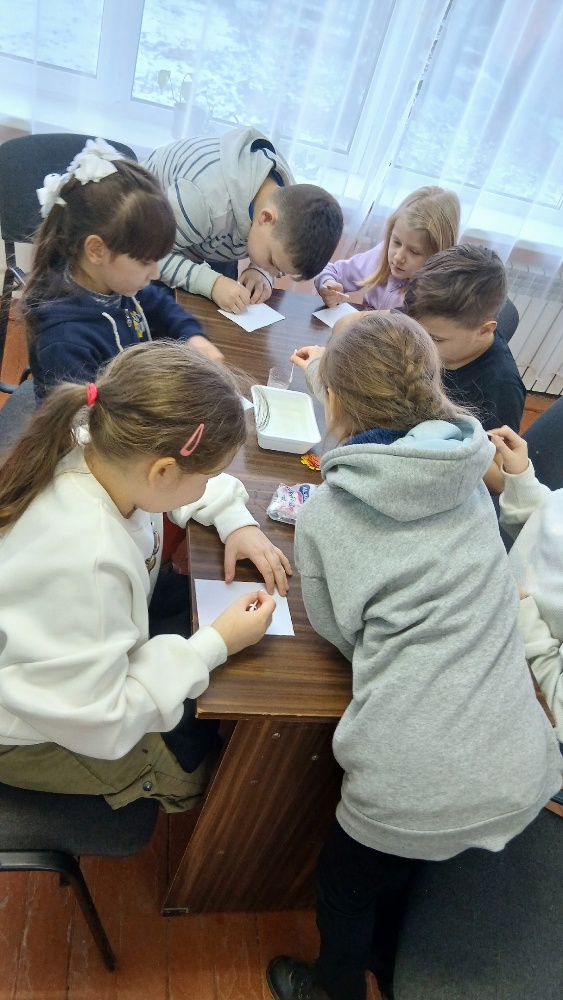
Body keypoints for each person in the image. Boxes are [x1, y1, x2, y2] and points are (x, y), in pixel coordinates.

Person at [265, 313, 561, 1000]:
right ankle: (393, 954)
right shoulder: (470, 476)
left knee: (344, 887)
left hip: (412, 785)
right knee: (404, 867)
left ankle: (335, 989)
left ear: (332, 403)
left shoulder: (328, 511)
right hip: (523, 770)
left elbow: (339, 632)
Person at [0, 339, 293, 812]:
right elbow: (104, 721)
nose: (207, 484)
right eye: (205, 476)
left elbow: (187, 483)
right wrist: (215, 644)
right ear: (162, 471)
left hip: (73, 663)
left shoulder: (102, 440)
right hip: (36, 731)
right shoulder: (86, 560)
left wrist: (236, 520)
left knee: (187, 621)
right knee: (192, 771)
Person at [24, 137, 224, 403]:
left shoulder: (117, 283)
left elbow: (160, 304)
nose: (155, 274)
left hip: (132, 396)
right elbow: (86, 420)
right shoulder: (65, 341)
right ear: (97, 250)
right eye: (145, 261)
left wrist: (193, 337)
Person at [144, 127, 343, 313]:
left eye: (279, 270)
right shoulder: (204, 199)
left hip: (212, 234)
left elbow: (279, 255)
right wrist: (210, 283)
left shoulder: (288, 205)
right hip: (151, 232)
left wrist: (261, 271)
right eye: (272, 262)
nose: (273, 271)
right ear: (265, 218)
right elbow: (147, 255)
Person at [490, 423, 563, 744]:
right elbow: (546, 531)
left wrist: (521, 609)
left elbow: (557, 706)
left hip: (514, 663)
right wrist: (520, 478)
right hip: (497, 594)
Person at [403, 244, 526, 433]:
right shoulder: (429, 315)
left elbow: (492, 452)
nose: (417, 344)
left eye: (435, 339)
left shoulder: (500, 391)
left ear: (484, 331)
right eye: (414, 330)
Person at [313, 186, 460, 310]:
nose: (398, 257)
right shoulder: (380, 255)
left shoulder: (440, 296)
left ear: (437, 256)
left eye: (414, 252)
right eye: (396, 242)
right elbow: (331, 271)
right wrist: (328, 284)